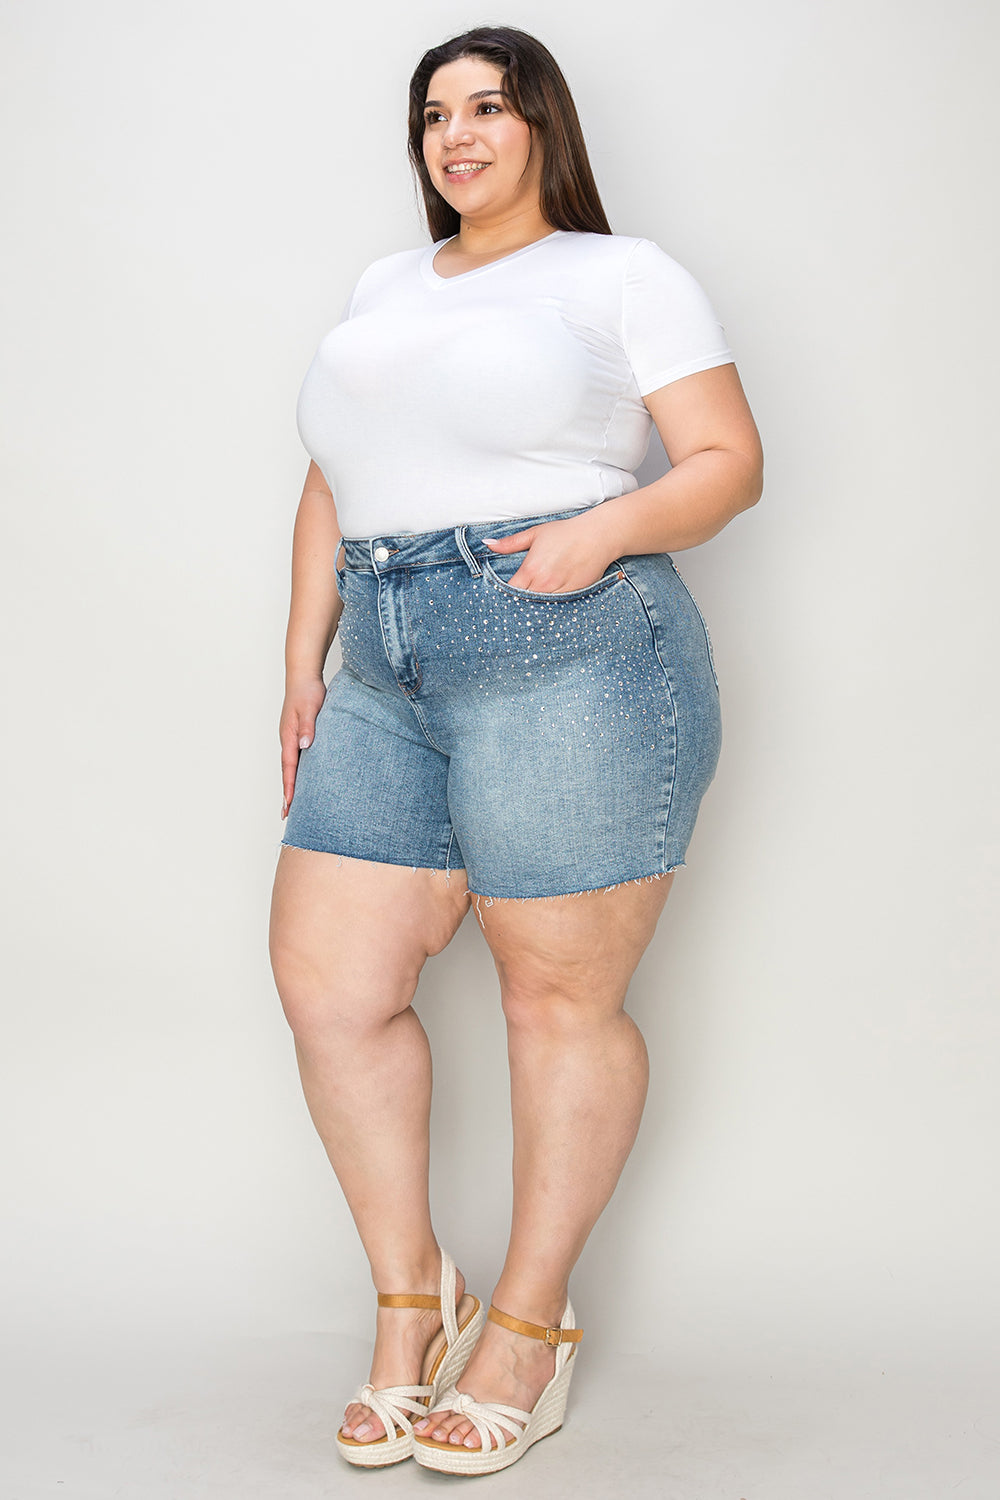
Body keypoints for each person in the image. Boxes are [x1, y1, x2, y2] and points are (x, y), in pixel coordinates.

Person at [268, 23, 763, 1477]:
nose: (458, 135)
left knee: (556, 1001)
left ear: (542, 124)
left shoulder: (624, 274)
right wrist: (301, 657)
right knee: (330, 985)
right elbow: (332, 471)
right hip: (384, 653)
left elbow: (728, 458)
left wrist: (596, 534)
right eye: (435, 115)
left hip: (572, 645)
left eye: (488, 107)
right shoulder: (382, 288)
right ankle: (415, 1302)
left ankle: (529, 1332)